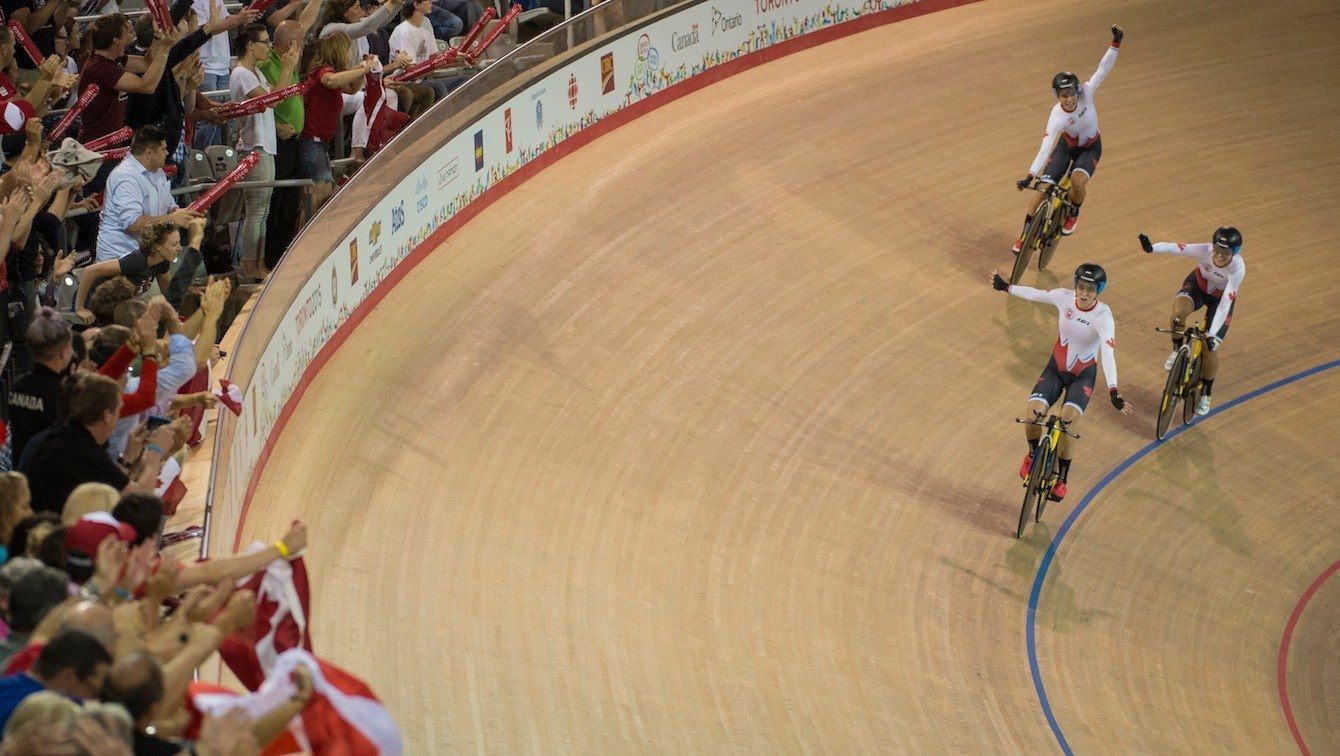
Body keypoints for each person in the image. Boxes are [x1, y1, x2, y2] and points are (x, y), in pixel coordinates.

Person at [991, 263, 1132, 500]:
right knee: (1033, 412)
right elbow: (1034, 295)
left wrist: (1113, 390)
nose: (1084, 293)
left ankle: (1062, 478)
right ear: (1075, 286)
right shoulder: (1064, 298)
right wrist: (1006, 287)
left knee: (1068, 422)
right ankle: (1033, 455)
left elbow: (1108, 354)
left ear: (1099, 291)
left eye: (1091, 289)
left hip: (1083, 375)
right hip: (1056, 369)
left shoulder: (1103, 317)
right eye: (1081, 287)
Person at [1012, 26, 1123, 253]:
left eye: (1072, 93)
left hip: (1090, 148)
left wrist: (1115, 43)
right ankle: (1024, 235)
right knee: (1043, 188)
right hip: (1067, 147)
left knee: (1076, 182)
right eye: (1064, 95)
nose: (1070, 98)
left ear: (1076, 90)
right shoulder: (1056, 116)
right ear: (1058, 97)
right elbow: (1046, 147)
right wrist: (1030, 175)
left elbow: (1103, 69)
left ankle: (1073, 212)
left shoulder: (1087, 93)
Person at [1138, 227, 1246, 415]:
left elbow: (1225, 303)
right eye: (1217, 250)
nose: (1220, 255)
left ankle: (1206, 393)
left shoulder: (1238, 268)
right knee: (1178, 315)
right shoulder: (1205, 250)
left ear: (1234, 253)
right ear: (1213, 247)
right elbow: (1178, 248)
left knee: (1210, 347)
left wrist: (1212, 334)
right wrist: (1152, 248)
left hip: (1219, 301)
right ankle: (1176, 350)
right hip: (1197, 286)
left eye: (1226, 252)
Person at [230, 23, 299, 278]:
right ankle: (250, 266)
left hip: (265, 144)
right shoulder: (241, 74)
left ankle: (258, 264)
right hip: (253, 147)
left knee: (263, 210)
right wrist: (287, 68)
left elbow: (270, 105)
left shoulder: (256, 73)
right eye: (265, 42)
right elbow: (275, 99)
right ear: (250, 45)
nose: (269, 47)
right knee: (256, 210)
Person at [96, 125, 203, 263]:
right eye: (163, 149)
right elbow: (133, 224)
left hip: (147, 255)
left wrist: (185, 213)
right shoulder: (125, 176)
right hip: (119, 258)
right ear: (149, 153)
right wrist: (171, 218)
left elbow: (169, 206)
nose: (167, 153)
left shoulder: (158, 173)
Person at [76, 219, 204, 321]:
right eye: (174, 244)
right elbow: (90, 271)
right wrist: (80, 308)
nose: (180, 249)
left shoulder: (162, 261)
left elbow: (168, 291)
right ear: (157, 247)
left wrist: (189, 291)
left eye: (179, 243)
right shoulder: (137, 261)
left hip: (119, 309)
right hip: (96, 305)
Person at [0, 630, 113, 732]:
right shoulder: (47, 715)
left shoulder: (5, 687)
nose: (95, 700)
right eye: (94, 691)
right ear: (69, 676)